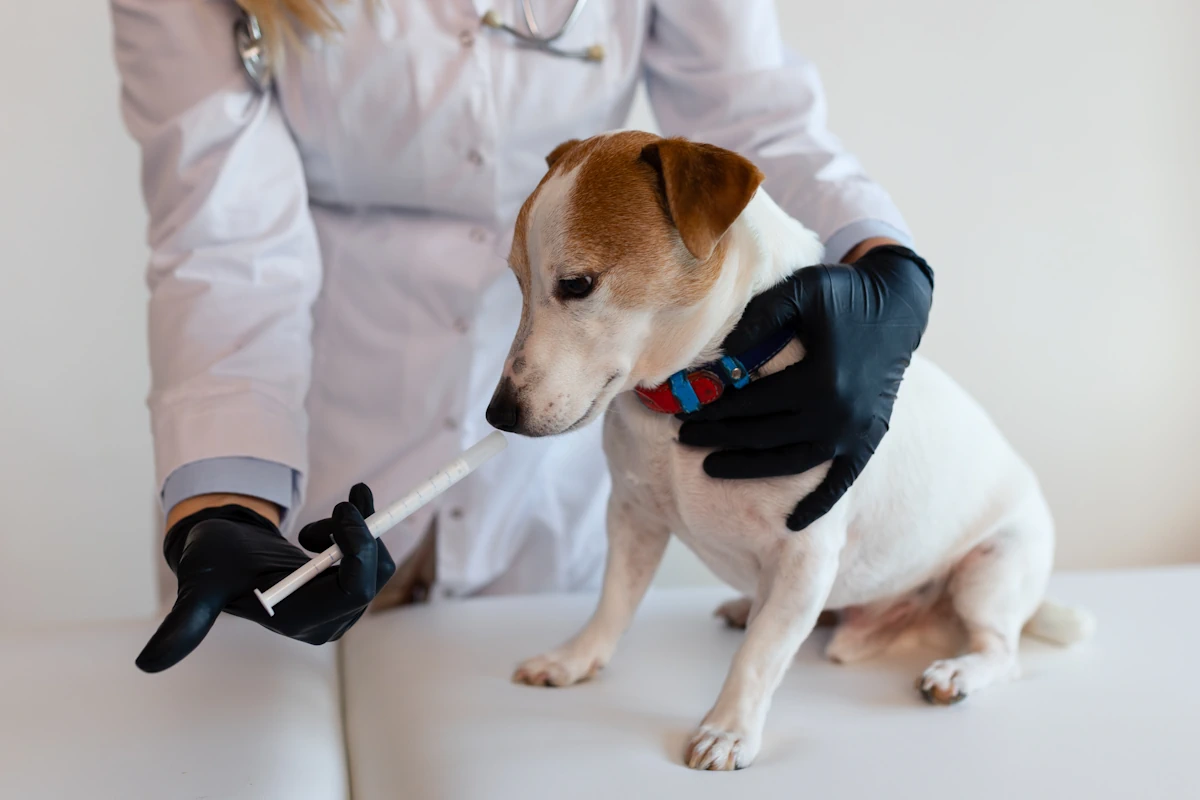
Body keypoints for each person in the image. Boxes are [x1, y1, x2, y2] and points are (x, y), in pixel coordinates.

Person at [110, 0, 933, 673]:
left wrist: (881, 264)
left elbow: (754, 122)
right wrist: (225, 504)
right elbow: (224, 237)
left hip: (541, 497)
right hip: (316, 469)